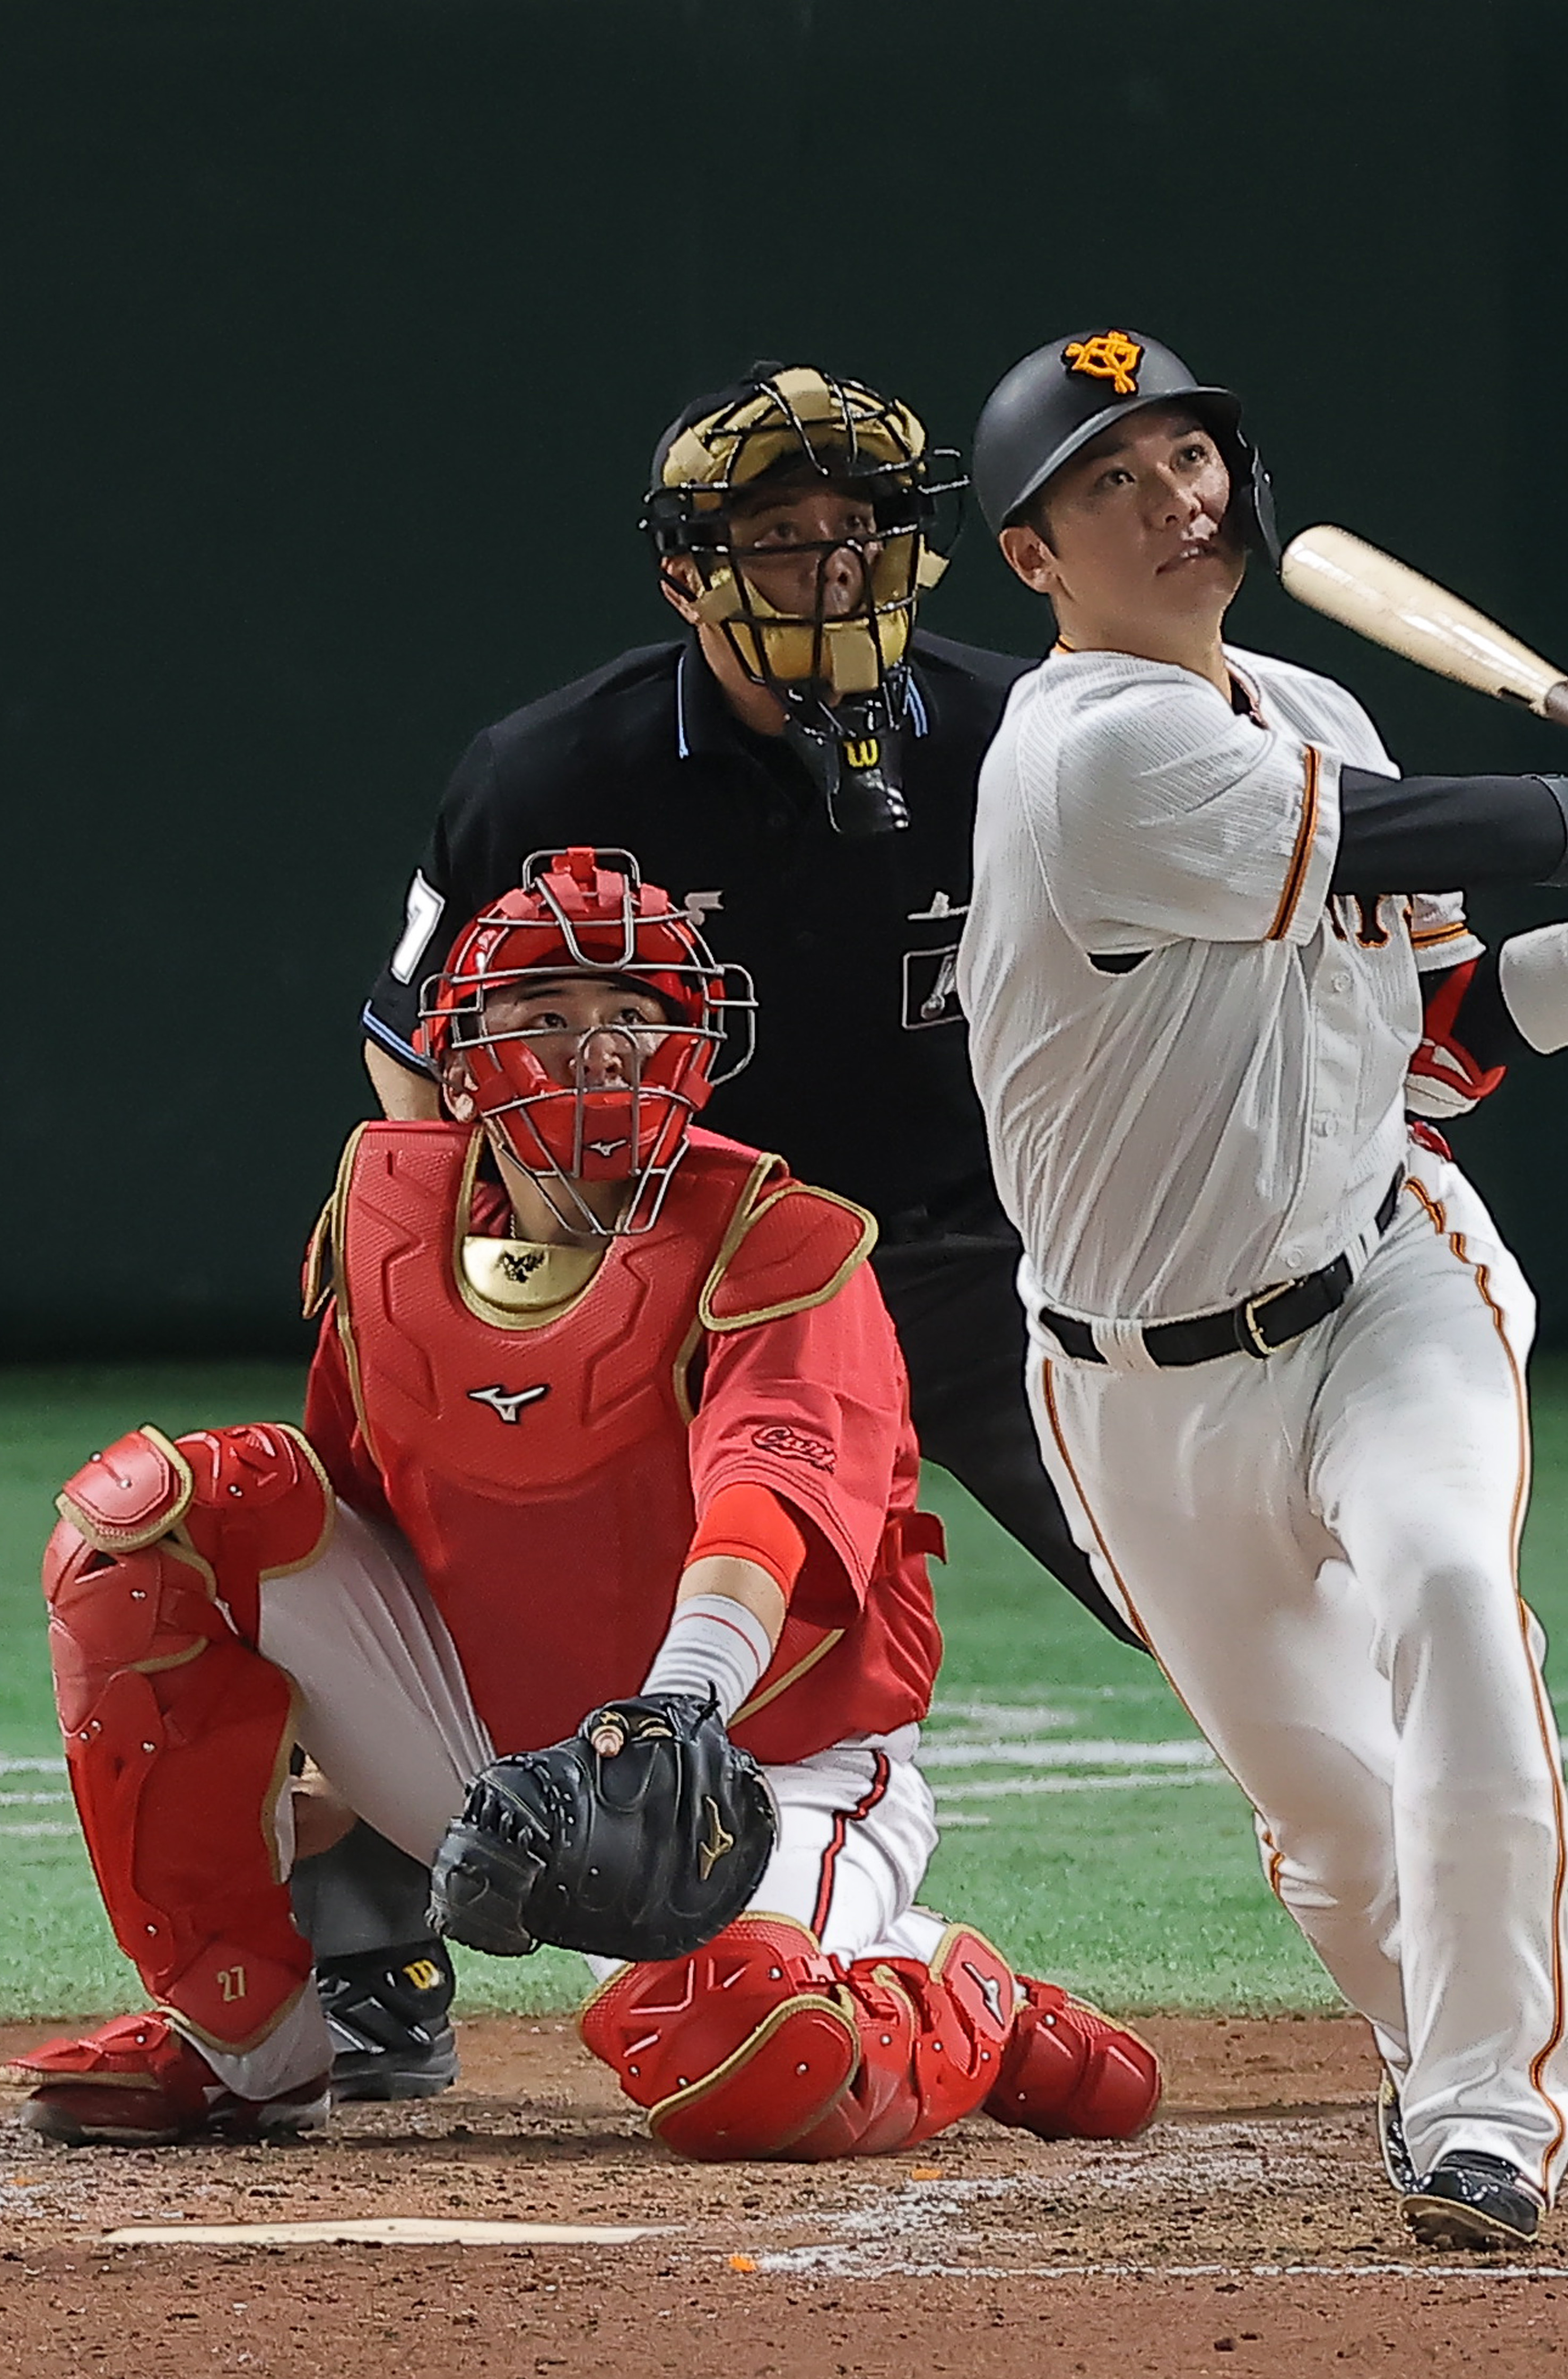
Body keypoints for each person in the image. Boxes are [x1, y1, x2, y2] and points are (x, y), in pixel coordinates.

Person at [955, 328, 1568, 2248]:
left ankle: (1484, 2119)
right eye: (1113, 477)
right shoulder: (1091, 757)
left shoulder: (1308, 701)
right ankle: (1428, 2050)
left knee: (1453, 1591)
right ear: (1033, 557)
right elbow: (1423, 836)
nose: (1175, 494)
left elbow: (1452, 1032)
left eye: (1190, 455)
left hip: (1384, 1282)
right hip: (1133, 1390)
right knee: (1340, 1834)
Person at [4, 848, 1158, 2160]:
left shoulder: (780, 1239)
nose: (598, 1049)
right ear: (461, 1049)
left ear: (697, 1036)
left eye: (636, 1013)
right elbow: (341, 1511)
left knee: (751, 2065)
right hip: (494, 1766)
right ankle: (246, 2044)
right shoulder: (386, 1222)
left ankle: (972, 2005)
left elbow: (763, 1505)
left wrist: (668, 1718)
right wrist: (316, 1769)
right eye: (546, 1013)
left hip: (744, 1774)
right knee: (149, 1519)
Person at [318, 360, 1145, 2106]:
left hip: (990, 1259)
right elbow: (417, 1066)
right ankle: (366, 1959)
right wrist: (471, 1319)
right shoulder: (552, 770)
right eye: (779, 544)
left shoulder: (1042, 740)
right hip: (670, 1274)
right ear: (687, 573)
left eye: (863, 537)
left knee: (1221, 1599)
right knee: (401, 1557)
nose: (831, 576)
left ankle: (1427, 1979)